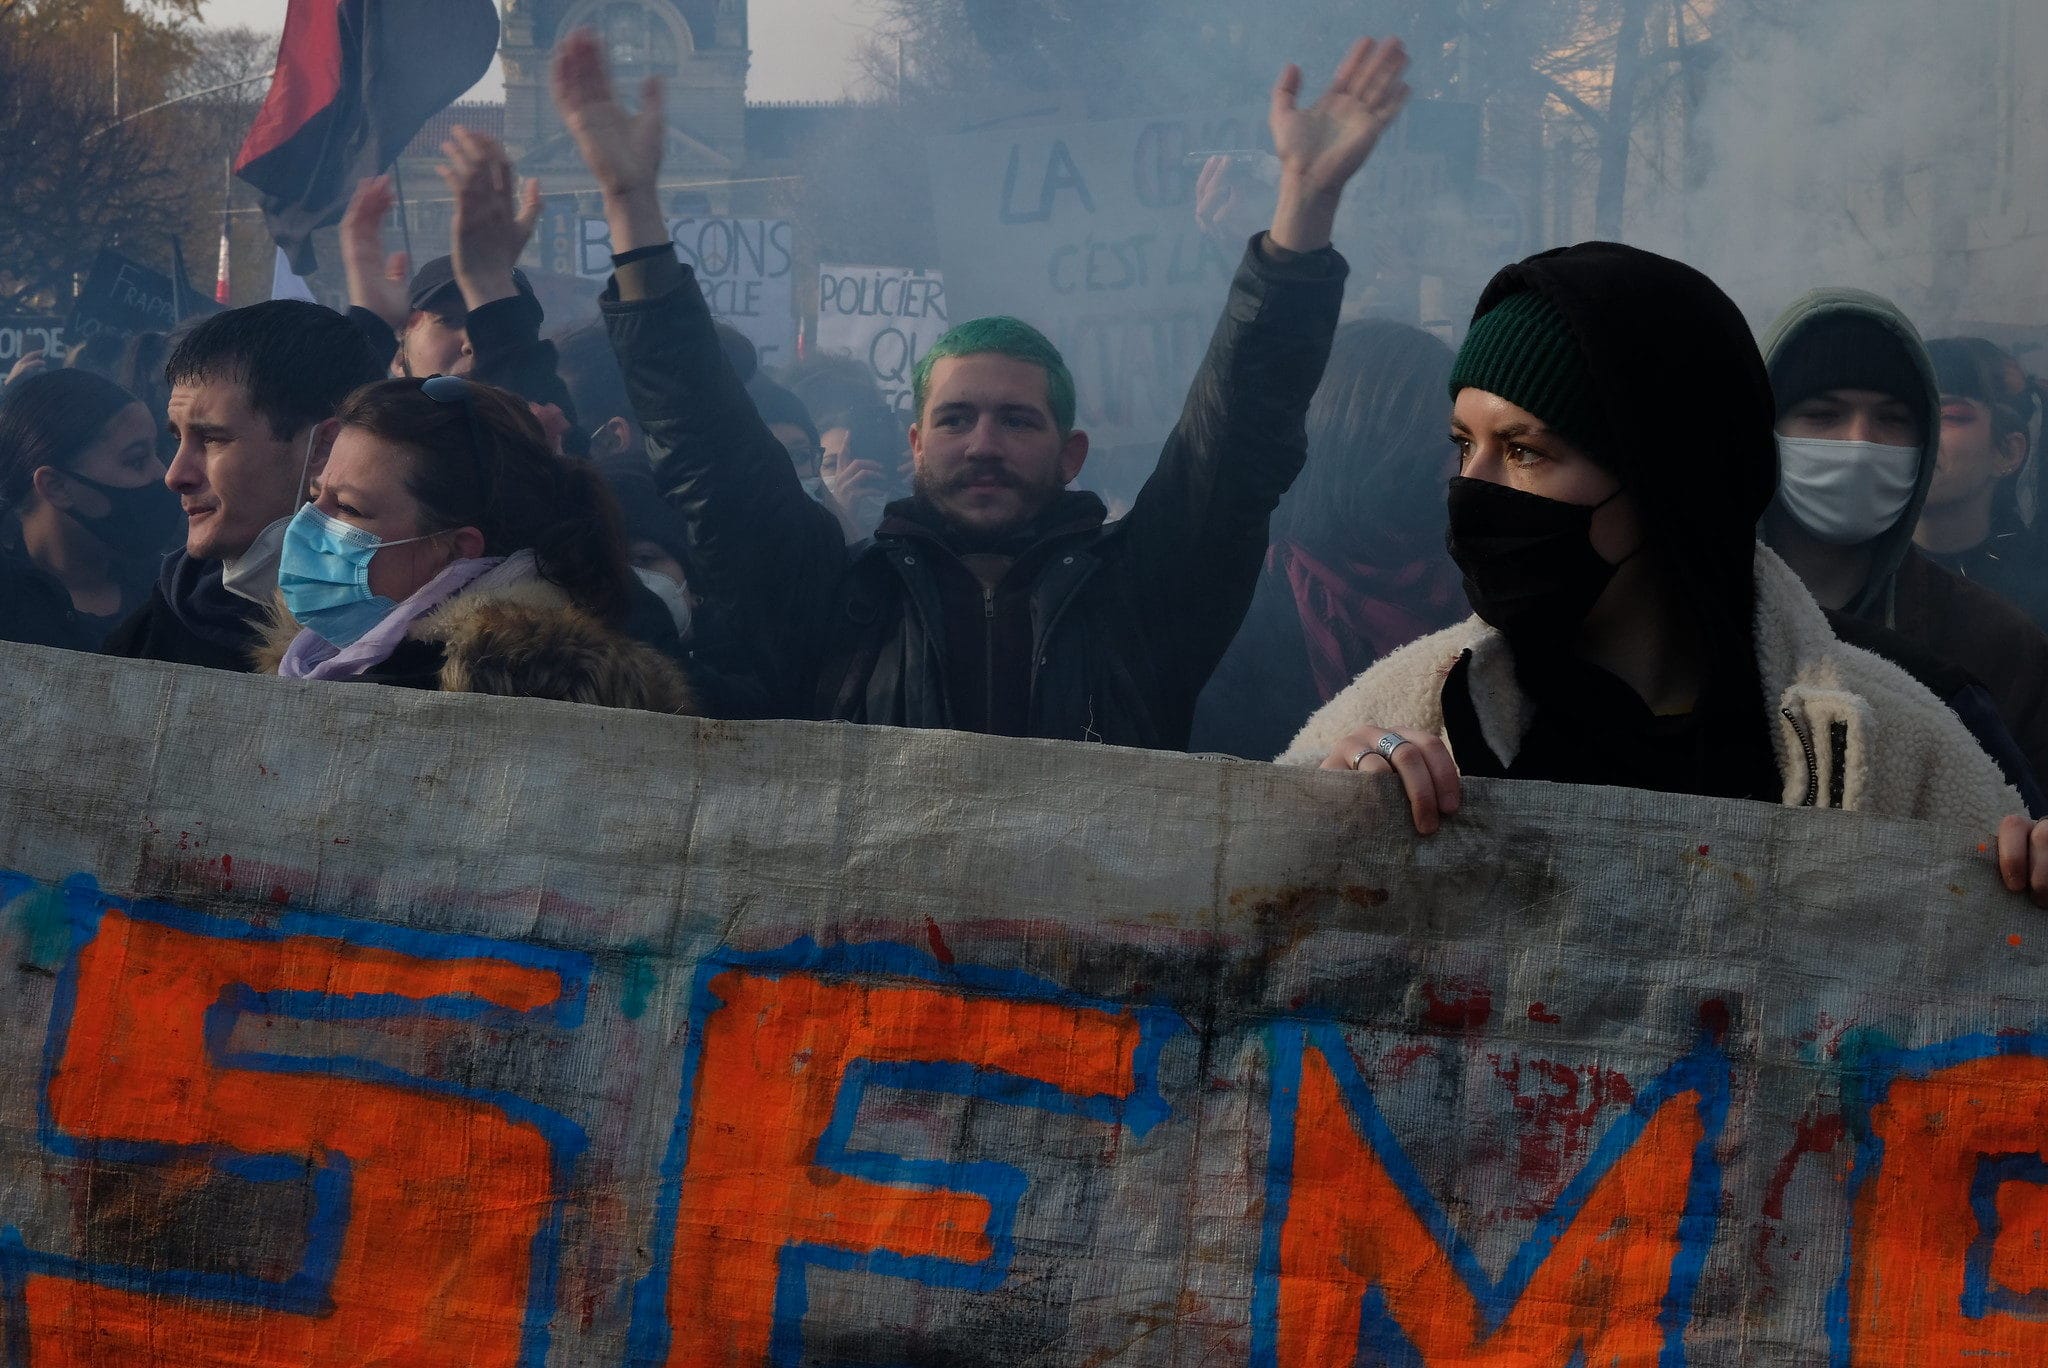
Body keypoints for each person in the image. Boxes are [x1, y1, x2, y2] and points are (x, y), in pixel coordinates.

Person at [557, 24, 1409, 746]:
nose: (985, 443)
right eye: (956, 418)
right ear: (917, 442)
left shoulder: (1143, 600)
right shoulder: (832, 601)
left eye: (1017, 420)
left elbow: (1238, 439)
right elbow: (709, 453)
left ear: (1072, 452)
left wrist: (1302, 213)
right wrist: (632, 208)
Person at [1281, 244, 2048, 907]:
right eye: (1463, 443)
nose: (1472, 485)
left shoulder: (1890, 737)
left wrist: (2030, 884)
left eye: (1524, 450)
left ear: (1660, 475)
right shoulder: (1419, 706)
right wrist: (1321, 812)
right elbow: (1236, 933)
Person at [252, 375, 694, 713]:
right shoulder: (314, 657)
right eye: (316, 497)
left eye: (348, 509)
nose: (307, 525)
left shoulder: (537, 701)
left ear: (458, 549)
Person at [1758, 290, 2048, 786]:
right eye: (1823, 414)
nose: (1860, 443)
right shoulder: (1688, 621)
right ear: (1766, 430)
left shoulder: (2000, 647)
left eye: (1892, 419)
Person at [1190, 319, 1464, 758]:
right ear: (1367, 444)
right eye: (1444, 440)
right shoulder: (1241, 613)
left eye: (1462, 442)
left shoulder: (1481, 591)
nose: (1459, 466)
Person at [101, 300, 386, 671]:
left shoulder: (426, 647)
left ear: (325, 448)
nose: (175, 475)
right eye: (177, 440)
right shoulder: (144, 639)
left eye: (212, 438)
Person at [338, 127, 579, 447]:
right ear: (399, 356)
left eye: (499, 332)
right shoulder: (357, 469)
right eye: (449, 319)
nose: (473, 343)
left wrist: (492, 287)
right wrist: (369, 330)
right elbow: (310, 450)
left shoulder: (556, 450)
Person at [0, 370, 181, 651]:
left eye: (157, 453)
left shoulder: (172, 592)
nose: (164, 474)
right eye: (136, 461)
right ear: (56, 486)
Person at [1914, 336, 2048, 627]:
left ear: (2007, 452)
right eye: (1902, 415)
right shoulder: (1850, 575)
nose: (1920, 432)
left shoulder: (2035, 600)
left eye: (1949, 416)